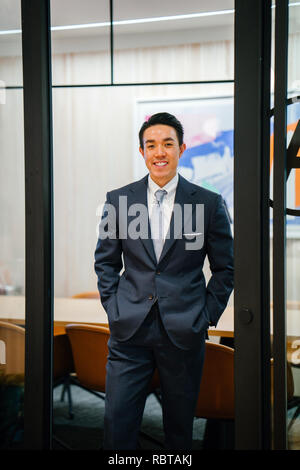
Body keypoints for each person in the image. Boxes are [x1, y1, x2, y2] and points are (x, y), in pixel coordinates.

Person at [94, 112, 234, 450]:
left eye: (168, 144)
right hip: (130, 330)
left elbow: (225, 268)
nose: (160, 152)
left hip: (184, 330)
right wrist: (115, 308)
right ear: (141, 152)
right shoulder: (119, 200)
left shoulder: (208, 202)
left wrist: (205, 316)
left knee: (179, 427)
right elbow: (105, 262)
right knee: (118, 424)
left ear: (182, 148)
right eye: (151, 145)